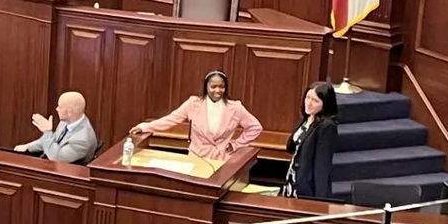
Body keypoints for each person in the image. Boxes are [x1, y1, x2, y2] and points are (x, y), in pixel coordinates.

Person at [131, 69, 263, 163]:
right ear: (206, 87)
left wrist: (236, 144)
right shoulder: (193, 103)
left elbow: (255, 127)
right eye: (213, 86)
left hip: (222, 160)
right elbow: (170, 120)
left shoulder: (235, 108)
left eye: (221, 87)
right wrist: (145, 127)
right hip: (196, 158)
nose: (218, 90)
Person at [281, 81, 338, 200]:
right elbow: (291, 147)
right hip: (293, 178)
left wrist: (320, 199)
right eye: (307, 98)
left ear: (325, 104)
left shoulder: (327, 127)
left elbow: (322, 164)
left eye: (315, 101)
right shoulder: (306, 120)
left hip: (307, 185)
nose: (309, 103)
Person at [16, 91, 98, 163]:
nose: (56, 109)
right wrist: (28, 147)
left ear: (69, 112)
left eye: (60, 107)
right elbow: (52, 140)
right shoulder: (65, 122)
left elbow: (57, 158)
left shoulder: (82, 139)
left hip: (65, 174)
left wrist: (47, 132)